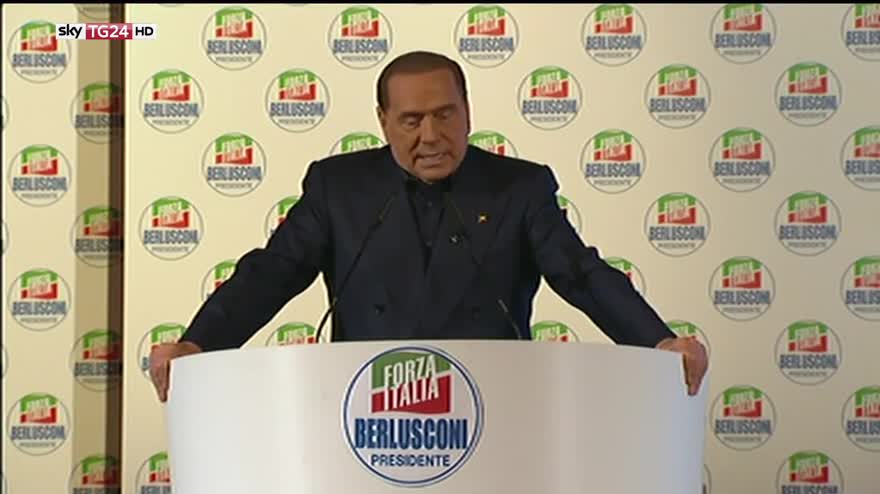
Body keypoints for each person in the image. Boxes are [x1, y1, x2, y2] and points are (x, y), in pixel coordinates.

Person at [149, 50, 708, 402]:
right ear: (383, 121)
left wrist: (657, 341)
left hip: (493, 409)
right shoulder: (338, 187)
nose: (431, 136)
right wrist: (198, 343)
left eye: (445, 115)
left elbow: (580, 273)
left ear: (468, 111)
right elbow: (272, 272)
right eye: (411, 121)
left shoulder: (519, 187)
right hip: (366, 413)